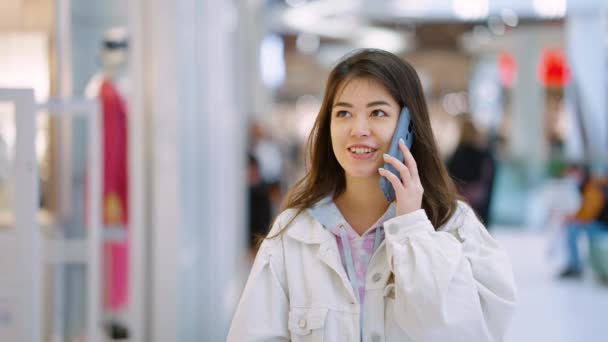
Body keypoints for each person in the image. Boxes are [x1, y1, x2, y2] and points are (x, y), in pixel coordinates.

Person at [228, 49, 516, 341]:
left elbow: (468, 333)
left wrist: (412, 230)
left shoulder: (455, 225)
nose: (358, 129)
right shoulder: (294, 232)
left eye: (378, 113)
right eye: (343, 113)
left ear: (408, 127)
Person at [446, 114, 496, 225]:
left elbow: (451, 174)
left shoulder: (460, 153)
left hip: (463, 200)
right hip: (481, 202)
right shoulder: (485, 154)